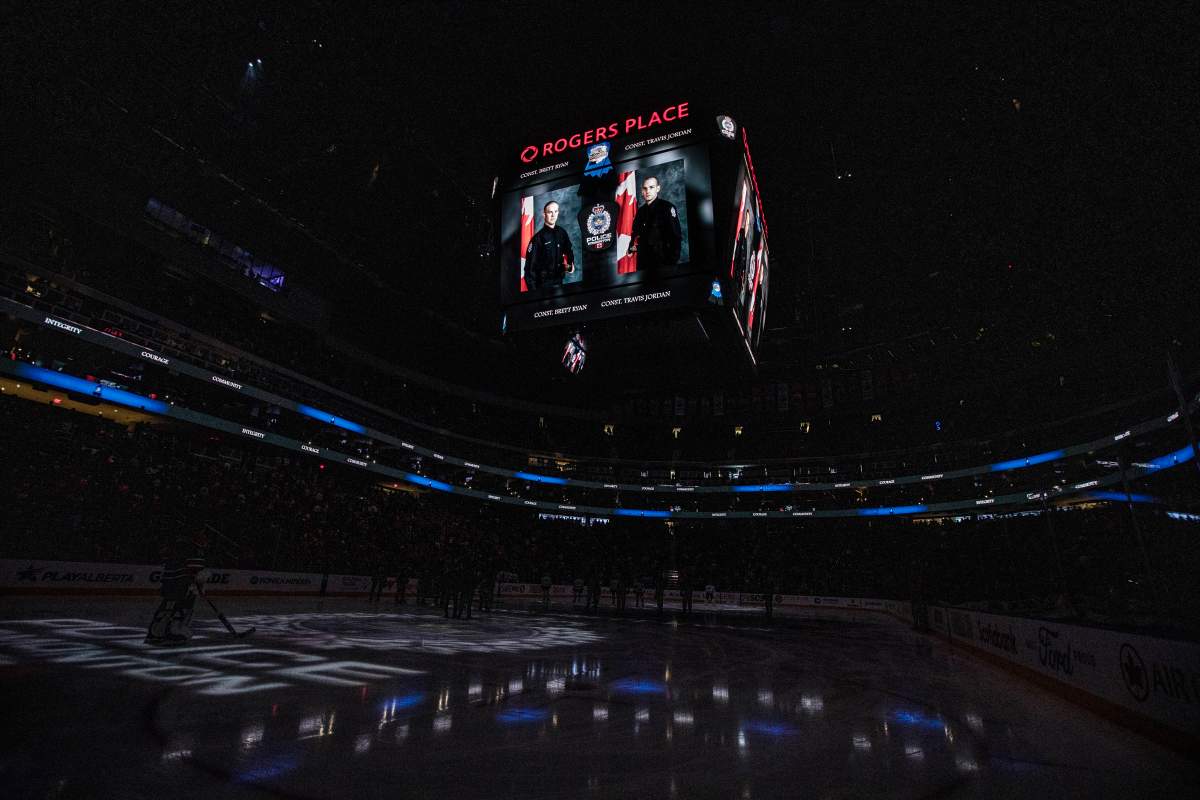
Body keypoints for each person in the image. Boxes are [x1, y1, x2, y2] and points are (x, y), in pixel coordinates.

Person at [145, 531, 209, 646]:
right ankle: (175, 633)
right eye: (203, 538)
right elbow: (196, 570)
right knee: (182, 609)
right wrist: (199, 583)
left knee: (166, 608)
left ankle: (155, 634)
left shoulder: (176, 547)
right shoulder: (195, 549)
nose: (205, 541)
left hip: (169, 583)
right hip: (183, 585)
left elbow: (166, 562)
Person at [629, 176, 682, 277]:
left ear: (658, 188)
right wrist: (630, 247)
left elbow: (676, 237)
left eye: (651, 187)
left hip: (662, 263)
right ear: (642, 191)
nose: (647, 191)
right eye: (645, 188)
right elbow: (635, 233)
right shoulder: (640, 212)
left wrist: (671, 263)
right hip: (643, 264)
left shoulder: (667, 208)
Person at [525, 201, 575, 291]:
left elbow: (569, 250)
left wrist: (570, 265)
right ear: (544, 214)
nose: (553, 215)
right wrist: (533, 294)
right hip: (543, 285)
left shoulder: (562, 233)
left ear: (558, 212)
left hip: (559, 282)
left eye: (555, 211)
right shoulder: (537, 239)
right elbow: (529, 270)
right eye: (550, 212)